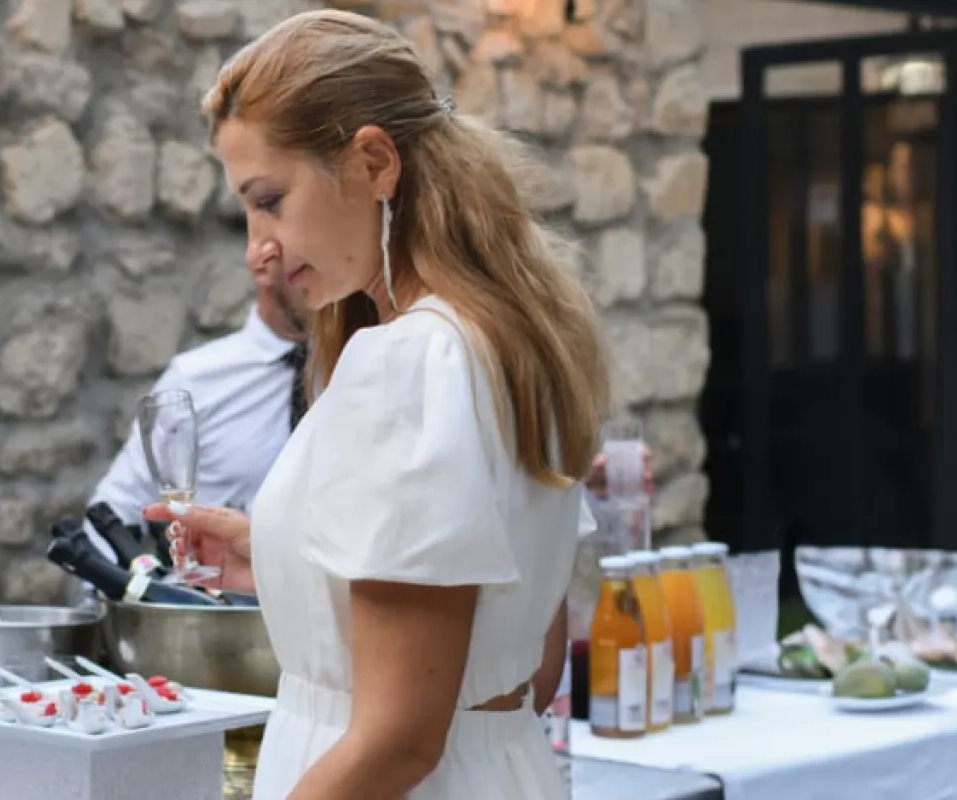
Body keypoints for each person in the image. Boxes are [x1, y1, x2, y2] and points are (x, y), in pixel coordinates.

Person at [143, 11, 611, 799]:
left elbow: (397, 743)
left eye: (272, 200)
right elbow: (525, 661)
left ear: (373, 162)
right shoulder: (511, 343)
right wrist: (284, 563)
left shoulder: (407, 363)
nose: (258, 245)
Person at [81, 237, 313, 563]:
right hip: (215, 606)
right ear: (262, 261)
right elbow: (117, 508)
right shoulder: (195, 379)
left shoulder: (365, 371)